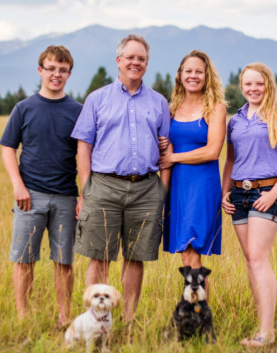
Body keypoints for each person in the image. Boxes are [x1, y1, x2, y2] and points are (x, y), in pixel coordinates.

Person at [70, 34, 170, 322]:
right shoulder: (97, 99)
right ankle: (95, 320)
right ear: (119, 61)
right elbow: (84, 146)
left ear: (146, 63)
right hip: (103, 186)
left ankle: (127, 320)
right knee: (98, 255)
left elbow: (167, 148)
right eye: (130, 57)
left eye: (141, 58)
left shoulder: (159, 102)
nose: (135, 62)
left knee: (135, 257)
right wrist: (86, 189)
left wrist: (162, 190)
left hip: (146, 188)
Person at [0, 45, 83, 327]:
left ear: (69, 74)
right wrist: (17, 186)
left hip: (66, 198)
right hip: (29, 196)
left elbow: (85, 156)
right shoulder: (24, 108)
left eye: (62, 70)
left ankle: (64, 317)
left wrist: (84, 194)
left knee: (64, 261)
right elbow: (8, 149)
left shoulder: (78, 111)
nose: (56, 74)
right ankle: (23, 316)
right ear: (40, 70)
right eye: (51, 68)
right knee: (24, 258)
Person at [221, 62, 277, 347]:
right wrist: (224, 193)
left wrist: (274, 194)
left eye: (259, 83)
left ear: (268, 85)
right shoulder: (236, 120)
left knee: (258, 258)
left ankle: (267, 334)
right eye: (248, 84)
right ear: (241, 86)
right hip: (239, 196)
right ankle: (261, 327)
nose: (253, 89)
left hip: (267, 193)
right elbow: (230, 160)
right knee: (250, 261)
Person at [158, 50, 227, 295]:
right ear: (180, 75)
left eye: (199, 71)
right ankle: (195, 309)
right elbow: (164, 143)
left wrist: (173, 157)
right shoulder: (171, 108)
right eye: (188, 71)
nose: (193, 76)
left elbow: (212, 151)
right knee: (186, 255)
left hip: (201, 186)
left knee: (191, 249)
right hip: (177, 187)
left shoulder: (215, 109)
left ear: (207, 76)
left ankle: (198, 312)